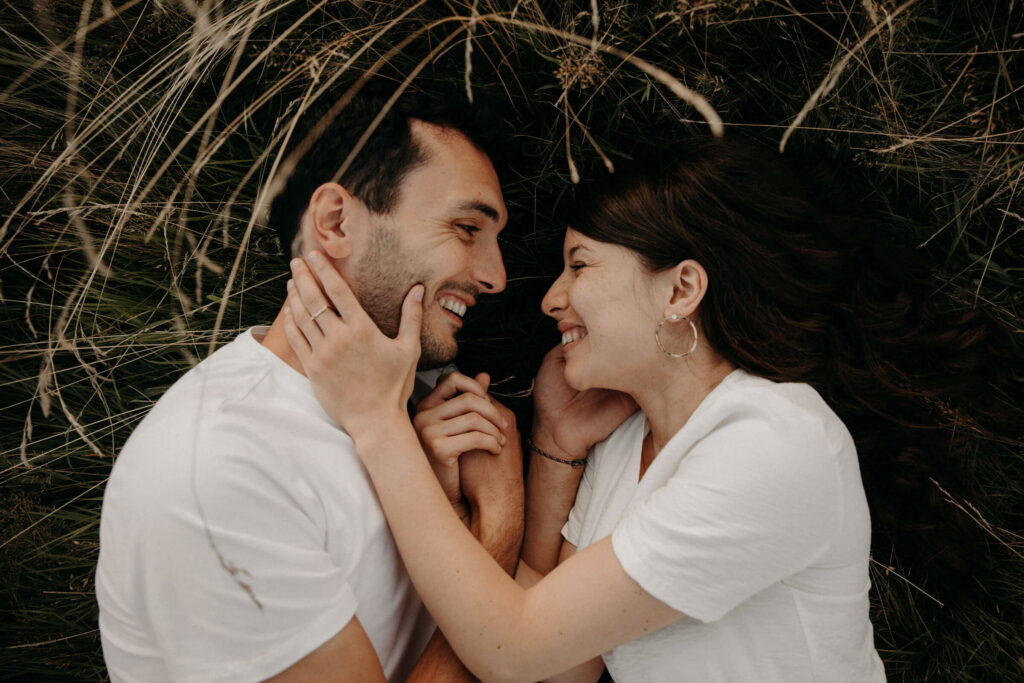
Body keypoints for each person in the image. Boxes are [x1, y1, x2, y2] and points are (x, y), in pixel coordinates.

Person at [283, 136, 1021, 682]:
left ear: (680, 289)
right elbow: (560, 667)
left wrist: (378, 423)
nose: (551, 299)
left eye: (579, 266)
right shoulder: (626, 442)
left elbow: (515, 647)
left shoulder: (771, 441)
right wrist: (557, 450)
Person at [95, 88, 524, 682]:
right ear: (335, 222)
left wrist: (452, 500)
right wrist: (496, 524)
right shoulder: (217, 468)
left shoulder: (424, 401)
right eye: (466, 227)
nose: (496, 276)